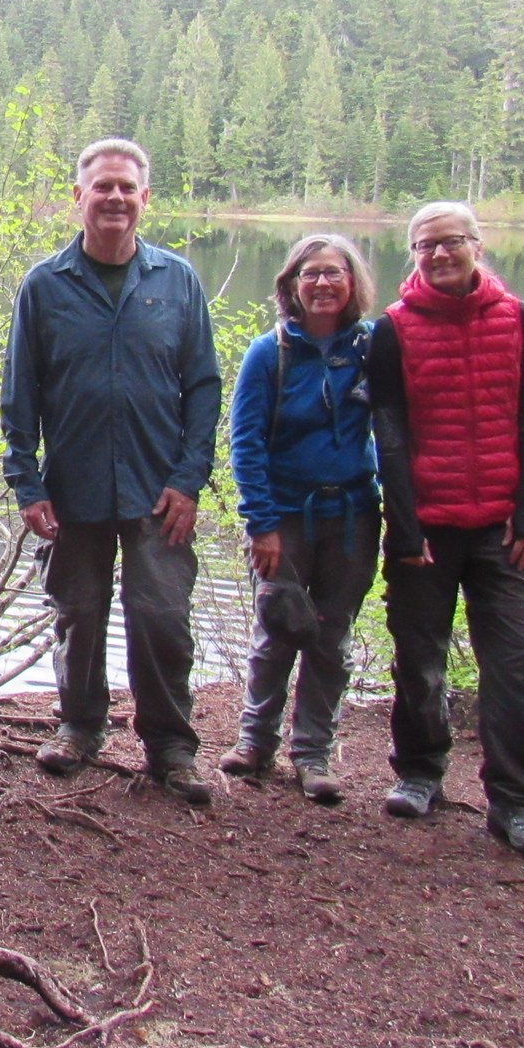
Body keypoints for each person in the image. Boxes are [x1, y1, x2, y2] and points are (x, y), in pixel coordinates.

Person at [1, 138, 221, 806]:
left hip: (159, 488)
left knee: (161, 616)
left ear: (145, 198)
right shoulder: (46, 285)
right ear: (79, 197)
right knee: (79, 612)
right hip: (75, 484)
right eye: (103, 187)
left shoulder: (176, 280)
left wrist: (189, 478)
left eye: (127, 187)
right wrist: (26, 482)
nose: (115, 198)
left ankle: (171, 748)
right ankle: (79, 728)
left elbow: (204, 387)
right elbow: (21, 393)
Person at [369, 202, 524, 858]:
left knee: (517, 666)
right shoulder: (392, 329)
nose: (440, 255)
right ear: (413, 256)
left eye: (451, 243)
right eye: (426, 246)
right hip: (426, 526)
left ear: (477, 245)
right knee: (419, 660)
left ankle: (519, 804)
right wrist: (404, 523)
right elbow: (387, 433)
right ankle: (419, 772)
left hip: (502, 527)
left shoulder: (520, 320)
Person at [218, 235, 381, 804]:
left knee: (331, 637)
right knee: (278, 629)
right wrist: (260, 523)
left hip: (355, 513)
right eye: (310, 274)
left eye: (334, 273)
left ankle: (312, 752)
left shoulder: (372, 347)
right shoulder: (270, 353)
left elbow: (439, 352)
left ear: (352, 282)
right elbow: (245, 443)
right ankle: (254, 740)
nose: (322, 284)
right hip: (284, 516)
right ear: (291, 285)